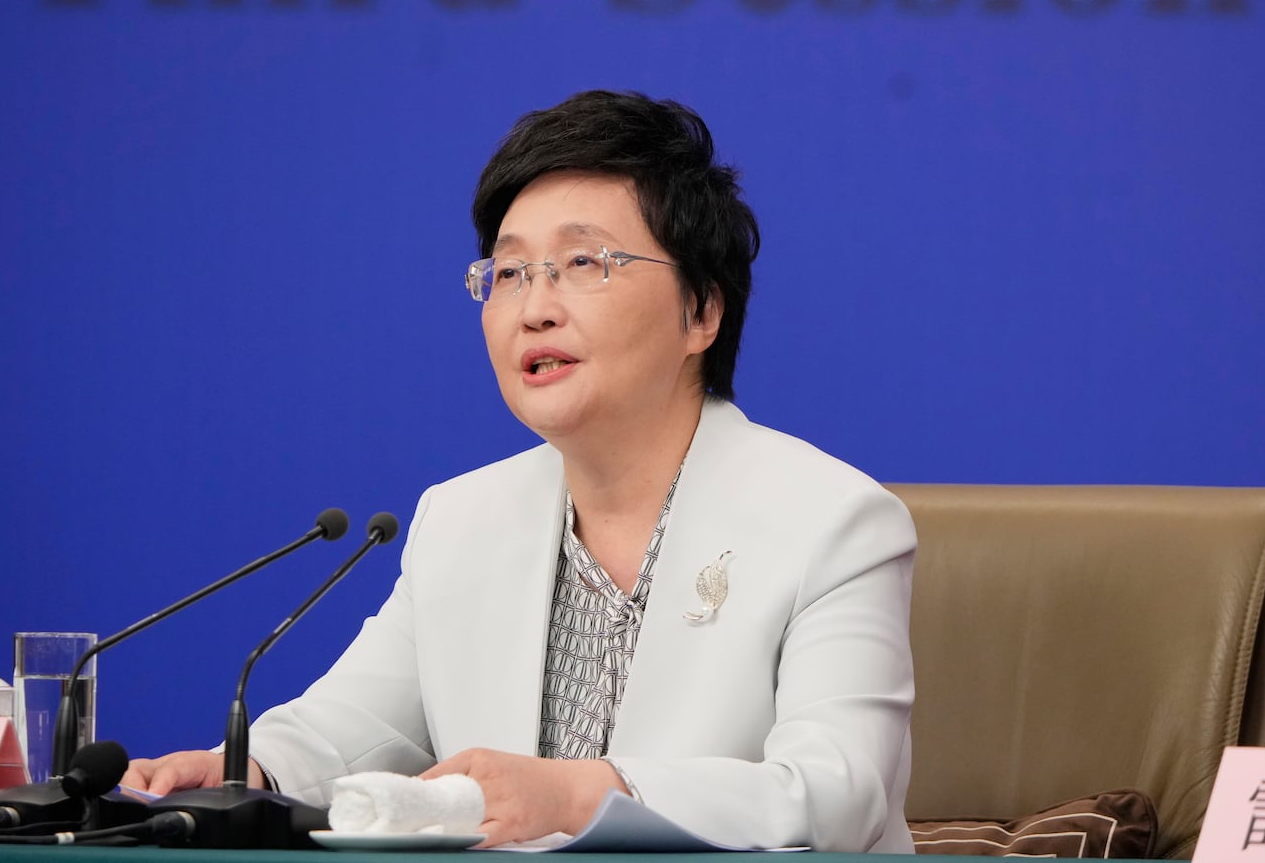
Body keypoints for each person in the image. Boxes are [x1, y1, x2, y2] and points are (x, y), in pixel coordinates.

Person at [122, 90, 917, 852]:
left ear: (701, 311)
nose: (534, 306)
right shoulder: (463, 518)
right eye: (508, 273)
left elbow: (837, 793)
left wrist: (579, 794)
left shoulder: (831, 521)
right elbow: (351, 727)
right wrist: (244, 774)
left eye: (581, 262)